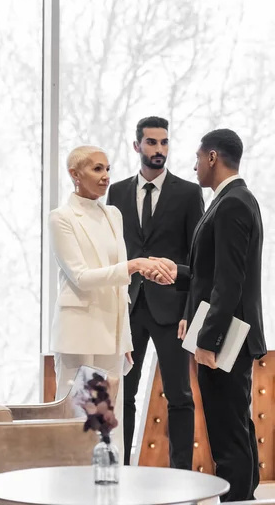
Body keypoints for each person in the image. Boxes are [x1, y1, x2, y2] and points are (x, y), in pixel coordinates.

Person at [149, 129, 267, 501]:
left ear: (213, 157)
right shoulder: (231, 200)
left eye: (198, 158)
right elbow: (210, 276)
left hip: (227, 339)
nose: (194, 165)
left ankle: (238, 500)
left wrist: (207, 341)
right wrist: (175, 272)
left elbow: (229, 285)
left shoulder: (233, 203)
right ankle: (243, 499)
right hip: (227, 335)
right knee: (236, 427)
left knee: (228, 435)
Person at [49, 145, 174, 460]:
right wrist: (134, 266)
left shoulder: (112, 214)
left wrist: (126, 337)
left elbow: (117, 284)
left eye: (107, 169)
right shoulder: (61, 218)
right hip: (80, 332)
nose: (105, 176)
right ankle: (70, 489)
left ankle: (106, 488)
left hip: (111, 331)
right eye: (96, 169)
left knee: (108, 425)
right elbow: (81, 276)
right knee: (78, 421)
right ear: (74, 174)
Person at [107, 116, 204, 467]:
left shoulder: (189, 193)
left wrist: (188, 313)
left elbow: (198, 262)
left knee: (180, 396)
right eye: (151, 143)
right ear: (137, 146)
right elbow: (113, 251)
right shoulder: (116, 192)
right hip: (128, 307)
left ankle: (182, 475)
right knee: (124, 394)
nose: (159, 149)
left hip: (172, 309)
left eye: (164, 142)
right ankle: (121, 472)